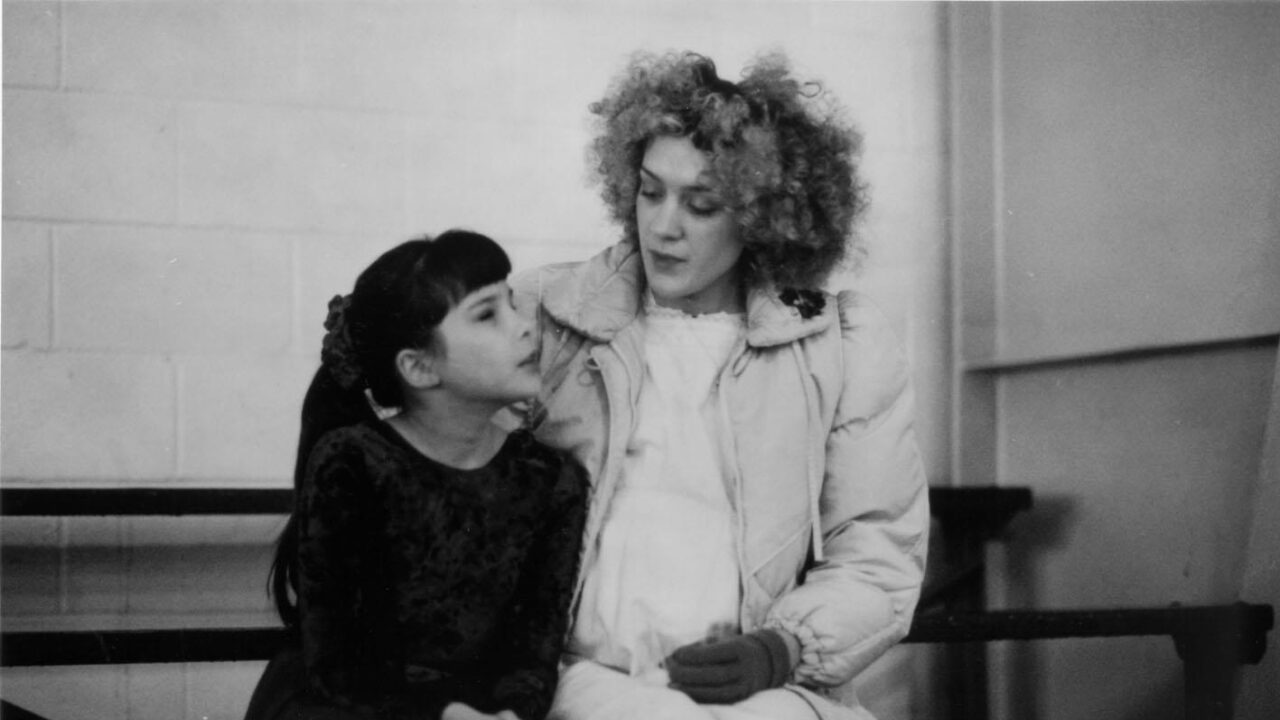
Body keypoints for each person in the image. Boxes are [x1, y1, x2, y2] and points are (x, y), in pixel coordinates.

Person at [511, 52, 930, 720]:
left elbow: (877, 551)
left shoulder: (842, 344)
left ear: (763, 216)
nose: (663, 226)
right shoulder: (546, 315)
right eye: (651, 192)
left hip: (764, 697)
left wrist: (783, 648)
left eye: (702, 204)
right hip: (578, 686)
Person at [244, 230, 591, 720]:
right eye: (487, 315)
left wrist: (512, 713)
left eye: (512, 304)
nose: (525, 327)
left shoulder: (550, 479)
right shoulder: (353, 463)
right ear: (419, 367)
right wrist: (445, 715)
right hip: (347, 707)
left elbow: (532, 653)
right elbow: (341, 663)